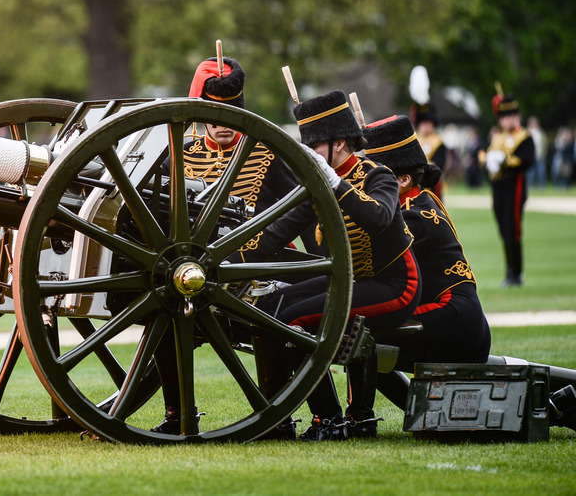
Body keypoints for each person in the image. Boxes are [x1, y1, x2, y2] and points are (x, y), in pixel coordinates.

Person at [235, 90, 421, 440]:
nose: (309, 154)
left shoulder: (377, 175)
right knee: (268, 310)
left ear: (339, 143)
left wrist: (336, 184)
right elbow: (276, 233)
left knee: (291, 321)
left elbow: (379, 218)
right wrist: (223, 256)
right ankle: (277, 420)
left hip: (394, 285)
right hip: (349, 282)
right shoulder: (318, 185)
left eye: (315, 147)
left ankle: (329, 419)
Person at [151, 54, 298, 435]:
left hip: (257, 268)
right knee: (160, 316)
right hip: (191, 270)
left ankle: (278, 419)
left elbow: (303, 207)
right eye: (214, 117)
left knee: (271, 308)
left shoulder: (266, 151)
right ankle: (177, 415)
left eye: (230, 116)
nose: (222, 127)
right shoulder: (181, 152)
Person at [344, 115, 491, 421]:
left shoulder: (413, 214)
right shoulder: (415, 201)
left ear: (402, 180)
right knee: (363, 332)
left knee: (360, 334)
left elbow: (363, 264)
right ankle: (421, 412)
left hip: (453, 318)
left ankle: (360, 418)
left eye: (376, 177)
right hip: (457, 318)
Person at [478, 91, 535, 287]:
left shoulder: (524, 137)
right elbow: (484, 155)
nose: (507, 120)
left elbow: (527, 160)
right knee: (503, 229)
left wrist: (505, 161)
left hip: (514, 186)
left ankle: (516, 273)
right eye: (503, 117)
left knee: (513, 229)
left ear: (517, 117)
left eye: (510, 116)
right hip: (498, 188)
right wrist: (486, 161)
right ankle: (510, 270)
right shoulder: (497, 138)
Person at [411, 102, 448, 199]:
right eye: (423, 123)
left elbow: (440, 164)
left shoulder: (438, 142)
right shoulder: (413, 140)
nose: (425, 126)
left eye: (428, 123)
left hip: (432, 180)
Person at [526, 116, 547, 188]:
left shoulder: (541, 133)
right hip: (530, 157)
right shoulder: (526, 133)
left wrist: (543, 153)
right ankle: (531, 186)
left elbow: (544, 144)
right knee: (530, 173)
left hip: (539, 156)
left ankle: (542, 186)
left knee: (541, 172)